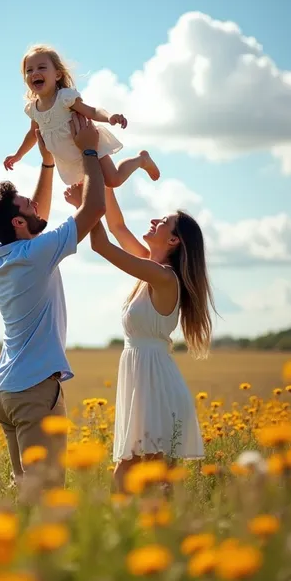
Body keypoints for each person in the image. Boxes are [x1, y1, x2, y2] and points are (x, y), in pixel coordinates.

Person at [0, 114, 105, 488]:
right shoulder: (35, 253)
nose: (35, 206)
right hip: (33, 390)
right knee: (46, 494)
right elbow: (94, 208)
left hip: (5, 391)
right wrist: (90, 150)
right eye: (27, 206)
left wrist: (47, 162)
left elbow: (39, 218)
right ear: (17, 224)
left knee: (27, 491)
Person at [64, 185, 216, 492]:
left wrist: (86, 206)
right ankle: (140, 533)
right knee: (134, 473)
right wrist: (102, 181)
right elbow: (117, 227)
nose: (154, 221)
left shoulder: (163, 277)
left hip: (156, 385)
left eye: (163, 221)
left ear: (174, 240)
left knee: (148, 477)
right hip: (145, 379)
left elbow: (103, 246)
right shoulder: (150, 268)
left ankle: (158, 533)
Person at [3, 44, 160, 187]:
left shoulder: (64, 97)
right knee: (89, 191)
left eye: (42, 67)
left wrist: (110, 117)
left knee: (113, 180)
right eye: (29, 70)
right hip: (69, 160)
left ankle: (142, 160)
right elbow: (33, 134)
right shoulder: (33, 108)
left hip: (90, 145)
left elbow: (92, 111)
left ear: (57, 75)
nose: (34, 73)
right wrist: (18, 155)